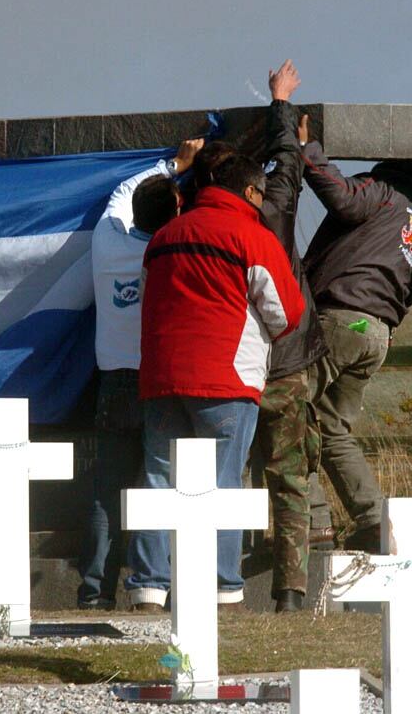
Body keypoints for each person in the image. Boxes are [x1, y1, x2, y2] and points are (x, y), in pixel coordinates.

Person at [125, 153, 305, 612]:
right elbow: (287, 314)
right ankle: (223, 589)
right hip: (227, 379)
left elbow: (146, 298)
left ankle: (149, 587)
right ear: (248, 192)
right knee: (224, 484)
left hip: (163, 376)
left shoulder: (163, 236)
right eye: (261, 195)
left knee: (158, 479)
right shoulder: (254, 238)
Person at [77, 138, 203, 610]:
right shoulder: (174, 255)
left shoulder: (106, 242)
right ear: (174, 213)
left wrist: (175, 163)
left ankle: (94, 592)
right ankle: (154, 586)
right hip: (158, 384)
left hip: (113, 382)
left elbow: (121, 192)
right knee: (159, 483)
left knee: (106, 493)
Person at [300, 137, 412, 552]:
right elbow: (409, 290)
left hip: (340, 318)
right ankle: (373, 522)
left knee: (285, 414)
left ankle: (314, 524)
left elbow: (341, 198)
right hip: (376, 334)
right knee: (331, 428)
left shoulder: (381, 193)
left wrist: (308, 149)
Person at [238, 61, 329, 613]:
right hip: (290, 363)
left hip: (235, 371)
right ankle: (291, 592)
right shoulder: (275, 212)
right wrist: (282, 103)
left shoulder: (215, 229)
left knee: (226, 475)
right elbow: (291, 161)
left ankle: (224, 587)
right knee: (291, 477)